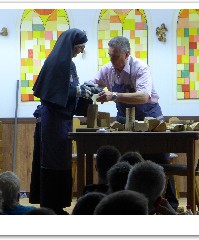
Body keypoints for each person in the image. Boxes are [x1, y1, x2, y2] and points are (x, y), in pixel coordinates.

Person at [88, 36, 178, 210]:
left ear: (126, 54)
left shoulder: (141, 68)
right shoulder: (108, 69)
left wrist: (114, 95)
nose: (111, 59)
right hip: (125, 121)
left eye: (114, 56)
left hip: (150, 119)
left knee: (158, 163)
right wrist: (89, 89)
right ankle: (129, 205)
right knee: (126, 162)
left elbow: (144, 96)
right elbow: (92, 83)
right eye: (109, 55)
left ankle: (168, 205)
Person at [32, 28, 99, 215]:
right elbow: (53, 93)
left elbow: (69, 89)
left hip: (63, 120)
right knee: (53, 161)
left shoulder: (69, 64)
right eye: (80, 47)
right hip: (53, 120)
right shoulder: (56, 62)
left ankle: (59, 203)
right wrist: (77, 91)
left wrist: (84, 90)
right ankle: (51, 205)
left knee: (62, 162)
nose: (81, 51)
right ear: (72, 44)